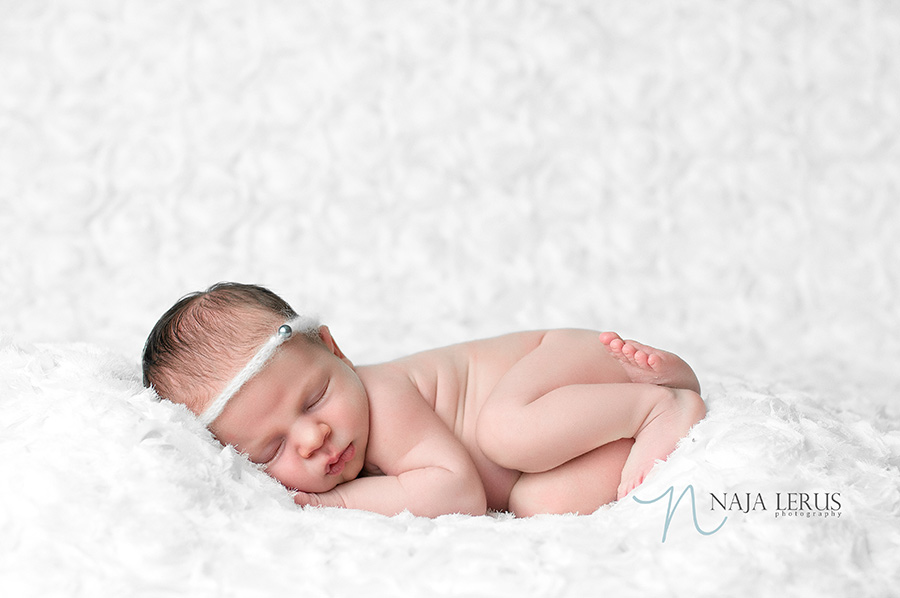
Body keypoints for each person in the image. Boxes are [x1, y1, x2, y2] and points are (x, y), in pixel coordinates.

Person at [142, 282, 705, 518]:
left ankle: (657, 404)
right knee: (537, 504)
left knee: (506, 431)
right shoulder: (345, 436)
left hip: (561, 362)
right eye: (269, 451)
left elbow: (457, 491)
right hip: (568, 420)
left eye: (315, 399)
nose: (314, 439)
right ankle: (638, 415)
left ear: (334, 349)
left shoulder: (381, 395)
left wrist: (334, 507)